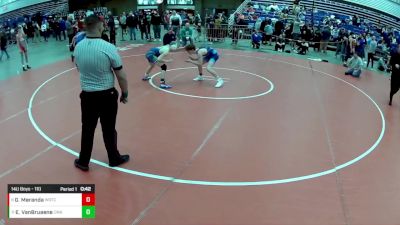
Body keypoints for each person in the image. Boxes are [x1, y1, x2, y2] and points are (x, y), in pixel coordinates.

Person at [73, 15, 130, 171]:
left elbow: (78, 67)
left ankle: (83, 161)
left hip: (87, 96)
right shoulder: (108, 47)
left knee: (87, 128)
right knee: (109, 128)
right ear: (99, 27)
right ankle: (114, 158)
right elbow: (121, 75)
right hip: (107, 95)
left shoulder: (78, 47)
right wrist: (125, 93)